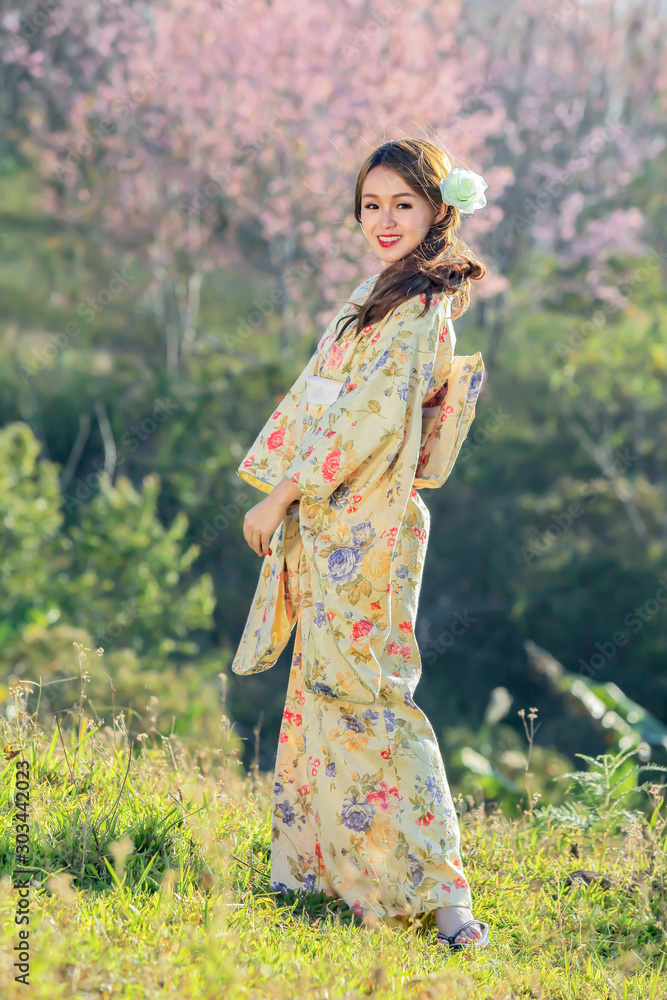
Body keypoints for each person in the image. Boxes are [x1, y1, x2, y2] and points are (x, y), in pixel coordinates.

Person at [232, 137, 490, 950]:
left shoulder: (418, 307)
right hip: (332, 517)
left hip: (367, 524)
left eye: (402, 205)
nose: (384, 219)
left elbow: (364, 419)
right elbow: (319, 396)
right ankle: (319, 872)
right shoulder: (377, 293)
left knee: (374, 697)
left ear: (437, 210)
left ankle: (447, 900)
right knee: (322, 689)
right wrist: (295, 495)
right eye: (371, 205)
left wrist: (280, 493)